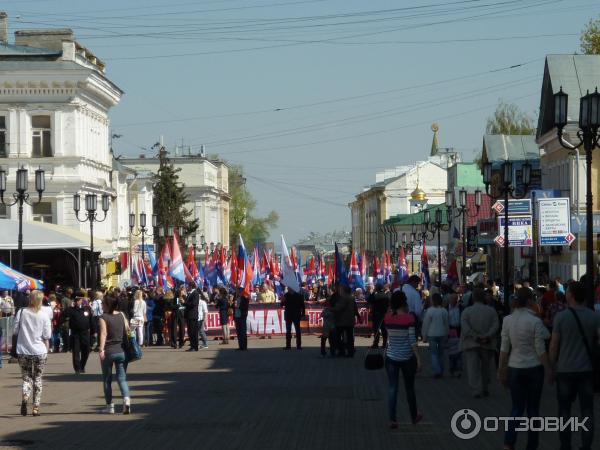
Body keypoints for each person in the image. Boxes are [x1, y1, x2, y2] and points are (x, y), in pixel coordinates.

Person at [498, 287, 551, 450]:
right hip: (534, 368)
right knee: (533, 410)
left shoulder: (507, 320)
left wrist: (501, 370)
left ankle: (509, 442)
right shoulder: (535, 321)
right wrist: (549, 370)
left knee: (516, 408)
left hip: (515, 367)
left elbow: (504, 349)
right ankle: (532, 445)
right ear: (530, 301)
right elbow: (541, 347)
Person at [549, 281, 600, 450]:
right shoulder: (594, 316)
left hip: (565, 370)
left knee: (564, 412)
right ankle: (586, 446)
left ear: (570, 295)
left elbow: (554, 345)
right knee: (587, 411)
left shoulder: (561, 317)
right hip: (586, 371)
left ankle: (565, 445)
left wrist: (551, 368)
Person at [384, 290, 422, 428]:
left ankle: (392, 419)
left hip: (391, 357)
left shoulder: (387, 317)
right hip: (406, 358)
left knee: (393, 388)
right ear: (403, 302)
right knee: (409, 388)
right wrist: (418, 358)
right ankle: (414, 416)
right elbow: (412, 340)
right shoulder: (409, 318)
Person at [13, 290, 51, 416]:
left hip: (23, 350)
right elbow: (47, 335)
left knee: (26, 378)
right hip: (39, 350)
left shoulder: (21, 312)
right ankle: (35, 407)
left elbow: (15, 330)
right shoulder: (44, 315)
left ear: (30, 299)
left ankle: (25, 397)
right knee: (38, 378)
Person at [460, 288, 499, 398]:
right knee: (486, 367)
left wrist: (475, 336)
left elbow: (465, 327)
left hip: (471, 343)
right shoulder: (491, 311)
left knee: (473, 367)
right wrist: (487, 336)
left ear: (473, 298)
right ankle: (485, 387)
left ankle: (476, 389)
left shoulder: (466, 311)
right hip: (487, 343)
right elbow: (496, 325)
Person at [98, 295, 131, 415]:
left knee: (107, 380)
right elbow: (127, 330)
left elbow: (103, 334)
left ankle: (110, 406)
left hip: (109, 351)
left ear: (107, 305)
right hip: (122, 351)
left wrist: (101, 349)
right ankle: (126, 399)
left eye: (102, 303)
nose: (101, 305)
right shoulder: (122, 315)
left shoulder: (103, 317)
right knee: (122, 378)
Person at [421, 293, 449, 378]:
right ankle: (441, 370)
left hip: (432, 334)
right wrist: (447, 334)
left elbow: (426, 324)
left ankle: (437, 370)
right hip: (442, 333)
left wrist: (424, 336)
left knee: (434, 354)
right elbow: (446, 324)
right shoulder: (444, 310)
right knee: (441, 353)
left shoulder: (430, 311)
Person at [65, 296, 95, 374]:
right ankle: (77, 368)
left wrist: (93, 331)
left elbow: (91, 321)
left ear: (82, 301)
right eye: (76, 300)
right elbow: (63, 317)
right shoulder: (70, 310)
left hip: (85, 333)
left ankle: (82, 365)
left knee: (86, 350)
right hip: (75, 333)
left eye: (79, 300)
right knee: (76, 351)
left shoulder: (87, 309)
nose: (78, 302)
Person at [331, 283, 356, 357]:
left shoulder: (344, 298)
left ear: (344, 291)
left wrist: (330, 309)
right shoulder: (352, 298)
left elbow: (338, 308)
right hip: (350, 320)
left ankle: (341, 351)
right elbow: (355, 308)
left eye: (341, 289)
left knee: (337, 336)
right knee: (350, 338)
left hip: (342, 320)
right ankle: (350, 352)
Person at [367, 282, 390, 349]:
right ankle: (384, 344)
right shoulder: (386, 295)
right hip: (384, 314)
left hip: (376, 314)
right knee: (384, 329)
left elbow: (369, 301)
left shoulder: (375, 295)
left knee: (376, 329)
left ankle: (376, 344)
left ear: (376, 288)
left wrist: (373, 292)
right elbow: (388, 305)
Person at [185, 282, 200, 351]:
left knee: (193, 331)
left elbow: (194, 303)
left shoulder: (195, 293)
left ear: (191, 286)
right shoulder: (189, 293)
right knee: (190, 331)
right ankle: (192, 346)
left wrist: (185, 303)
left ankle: (194, 346)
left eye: (188, 286)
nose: (187, 287)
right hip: (189, 315)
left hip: (193, 315)